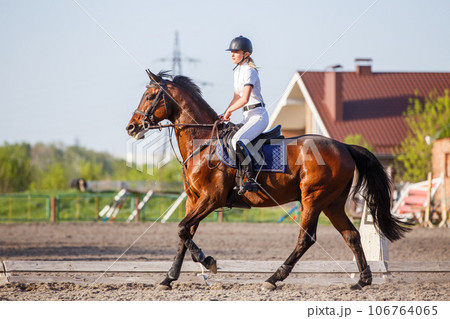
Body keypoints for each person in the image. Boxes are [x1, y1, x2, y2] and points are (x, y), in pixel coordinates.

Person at [219, 36, 269, 194]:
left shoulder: (249, 71)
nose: (232, 54)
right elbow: (236, 98)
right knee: (228, 136)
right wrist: (224, 112)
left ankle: (251, 180)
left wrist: (230, 111)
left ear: (246, 54)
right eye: (231, 52)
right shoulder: (238, 71)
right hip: (247, 116)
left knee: (237, 140)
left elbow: (245, 98)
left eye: (236, 52)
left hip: (258, 116)